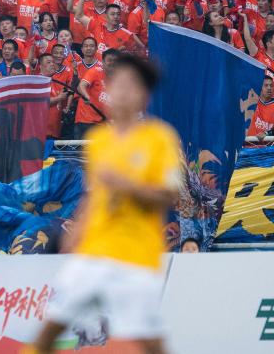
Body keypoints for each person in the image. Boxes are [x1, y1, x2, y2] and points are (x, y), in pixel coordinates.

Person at [29, 53, 182, 354]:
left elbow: (169, 195)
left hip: (136, 254)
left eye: (131, 85)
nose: (122, 92)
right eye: (117, 84)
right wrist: (75, 231)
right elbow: (96, 196)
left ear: (144, 96)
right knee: (51, 325)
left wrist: (127, 185)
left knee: (150, 341)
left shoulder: (160, 139)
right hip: (94, 251)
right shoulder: (99, 140)